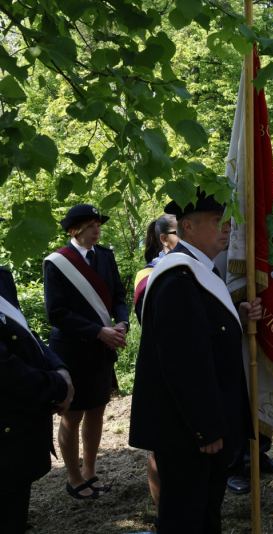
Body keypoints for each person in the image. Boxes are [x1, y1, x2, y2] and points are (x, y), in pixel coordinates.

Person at [129, 190, 260, 533]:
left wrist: (236, 316)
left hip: (199, 424)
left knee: (205, 512)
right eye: (217, 221)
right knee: (186, 516)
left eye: (227, 220)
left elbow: (206, 334)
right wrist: (206, 428)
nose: (228, 227)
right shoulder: (178, 277)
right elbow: (184, 362)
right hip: (187, 430)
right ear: (187, 226)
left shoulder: (199, 271)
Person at [43, 203, 129, 499]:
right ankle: (74, 477)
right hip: (72, 349)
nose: (97, 230)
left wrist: (122, 322)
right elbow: (57, 313)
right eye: (91, 225)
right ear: (74, 230)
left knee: (97, 410)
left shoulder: (105, 256)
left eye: (98, 225)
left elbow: (118, 296)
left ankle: (91, 471)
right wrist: (97, 331)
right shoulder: (57, 262)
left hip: (102, 350)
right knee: (73, 414)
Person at [1, 267, 74, 533]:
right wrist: (57, 386)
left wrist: (60, 369)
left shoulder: (1, 278)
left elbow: (24, 333)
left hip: (17, 436)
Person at [132, 214, 179, 520]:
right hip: (161, 368)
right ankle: (163, 512)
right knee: (161, 447)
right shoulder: (147, 275)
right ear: (164, 239)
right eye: (178, 231)